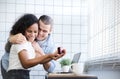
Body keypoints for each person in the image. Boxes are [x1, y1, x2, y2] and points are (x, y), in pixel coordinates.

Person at [1, 14, 66, 79]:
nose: (40, 33)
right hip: (8, 64)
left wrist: (51, 55)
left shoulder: (49, 45)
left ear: (50, 31)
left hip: (23, 71)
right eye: (39, 29)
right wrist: (11, 38)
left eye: (44, 31)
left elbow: (45, 64)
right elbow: (26, 63)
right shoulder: (23, 39)